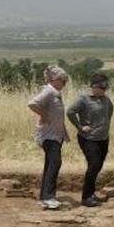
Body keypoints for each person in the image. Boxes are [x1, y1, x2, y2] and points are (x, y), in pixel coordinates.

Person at [66, 72, 114, 207]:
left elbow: (109, 113)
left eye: (106, 87)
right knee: (94, 164)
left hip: (103, 138)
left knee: (98, 165)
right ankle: (86, 197)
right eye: (102, 87)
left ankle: (92, 193)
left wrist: (103, 127)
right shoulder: (84, 99)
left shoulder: (106, 100)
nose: (104, 90)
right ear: (93, 86)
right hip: (88, 139)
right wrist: (80, 127)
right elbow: (70, 112)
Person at [27, 66, 70, 209]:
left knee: (51, 164)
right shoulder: (49, 91)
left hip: (56, 135)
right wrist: (43, 115)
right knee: (55, 163)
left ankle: (45, 196)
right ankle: (48, 197)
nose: (64, 83)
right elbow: (32, 103)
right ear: (55, 79)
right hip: (49, 135)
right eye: (63, 80)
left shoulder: (56, 93)